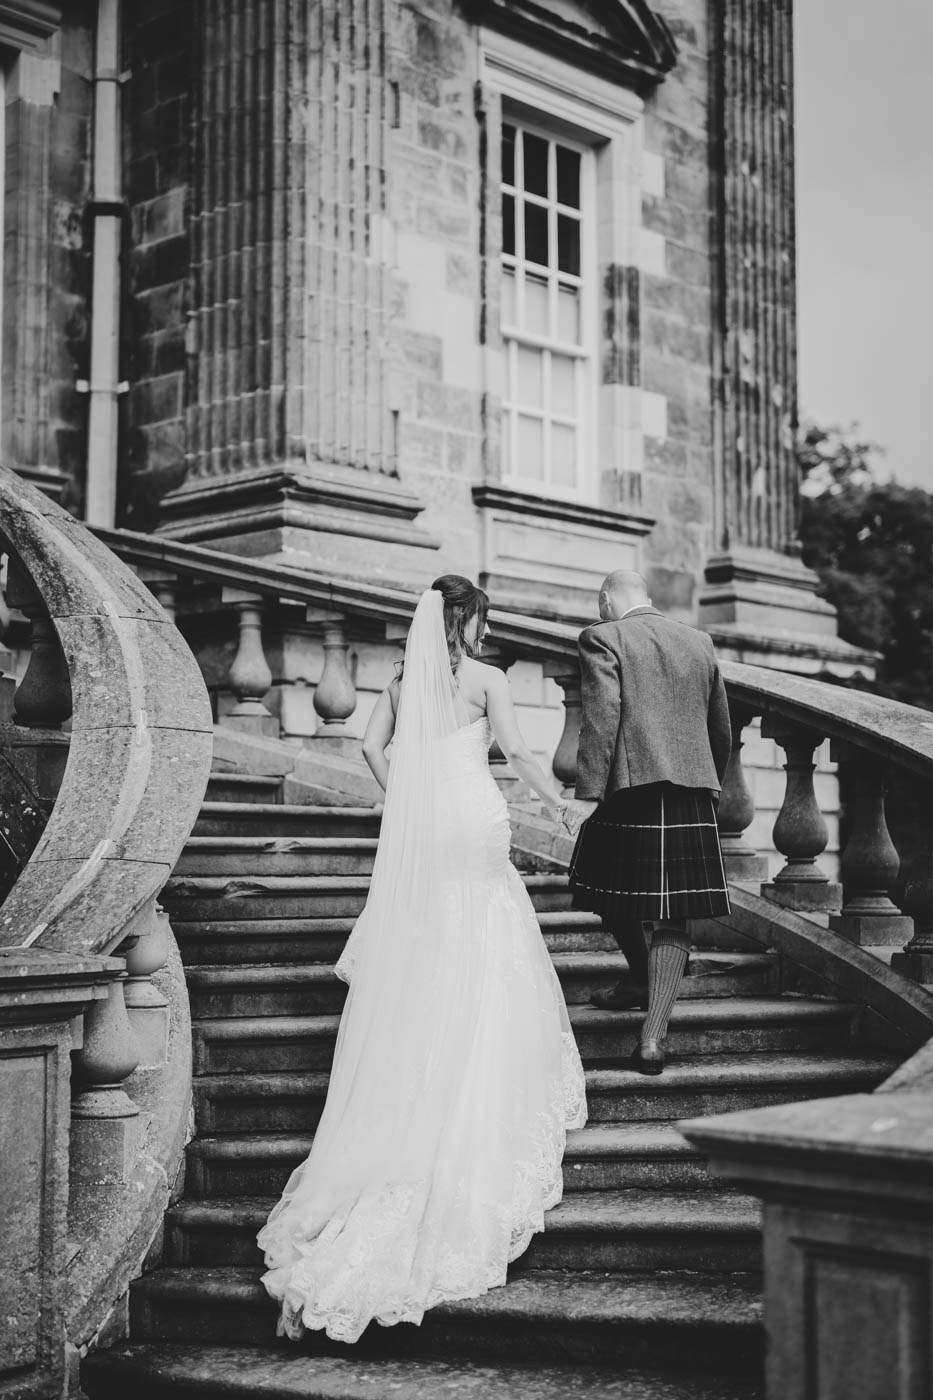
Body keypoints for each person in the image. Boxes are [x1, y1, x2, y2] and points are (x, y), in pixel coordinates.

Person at [258, 575, 586, 1344]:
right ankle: (481, 1059)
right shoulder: (485, 678)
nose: (482, 632)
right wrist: (557, 802)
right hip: (473, 816)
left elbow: (372, 747)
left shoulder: (407, 681)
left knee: (433, 936)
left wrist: (405, 795)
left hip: (428, 821)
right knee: (487, 923)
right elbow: (515, 750)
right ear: (469, 622)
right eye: (483, 621)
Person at [564, 570, 732, 1076]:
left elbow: (602, 718)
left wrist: (588, 794)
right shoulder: (698, 640)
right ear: (649, 599)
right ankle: (652, 1031)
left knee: (606, 889)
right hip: (690, 792)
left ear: (607, 600)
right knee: (672, 915)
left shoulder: (602, 636)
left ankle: (645, 992)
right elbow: (719, 724)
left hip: (627, 790)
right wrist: (707, 782)